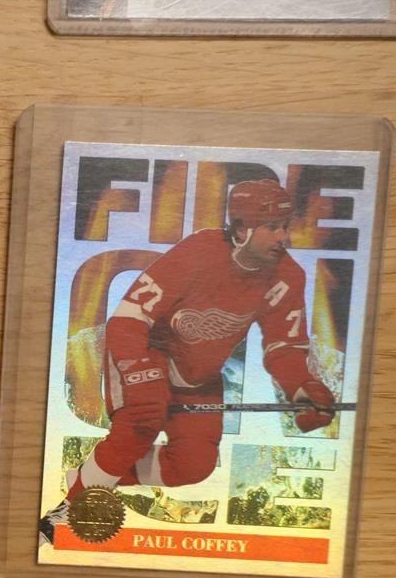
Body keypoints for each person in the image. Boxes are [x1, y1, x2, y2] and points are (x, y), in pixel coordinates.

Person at [40, 179, 337, 545]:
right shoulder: (199, 251)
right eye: (272, 227)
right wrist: (139, 373)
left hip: (199, 375)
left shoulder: (287, 277)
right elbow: (128, 320)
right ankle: (62, 517)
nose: (283, 236)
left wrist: (303, 388)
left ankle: (89, 478)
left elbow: (285, 348)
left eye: (285, 226)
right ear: (241, 229)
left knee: (193, 465)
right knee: (140, 424)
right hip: (147, 353)